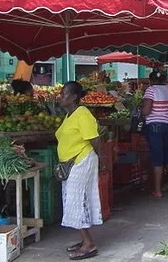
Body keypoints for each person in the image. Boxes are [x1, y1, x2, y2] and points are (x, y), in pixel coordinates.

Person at [56, 81, 101, 260]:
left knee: (75, 201)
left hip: (82, 161)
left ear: (74, 97)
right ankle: (83, 240)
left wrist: (100, 159)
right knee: (72, 201)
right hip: (71, 163)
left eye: (64, 94)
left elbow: (95, 139)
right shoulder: (69, 115)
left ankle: (89, 244)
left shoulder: (82, 113)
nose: (61, 96)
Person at [142, 69, 168, 197]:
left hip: (155, 126)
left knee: (157, 157)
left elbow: (146, 111)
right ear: (164, 79)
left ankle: (157, 190)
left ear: (151, 80)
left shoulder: (151, 90)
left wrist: (141, 109)